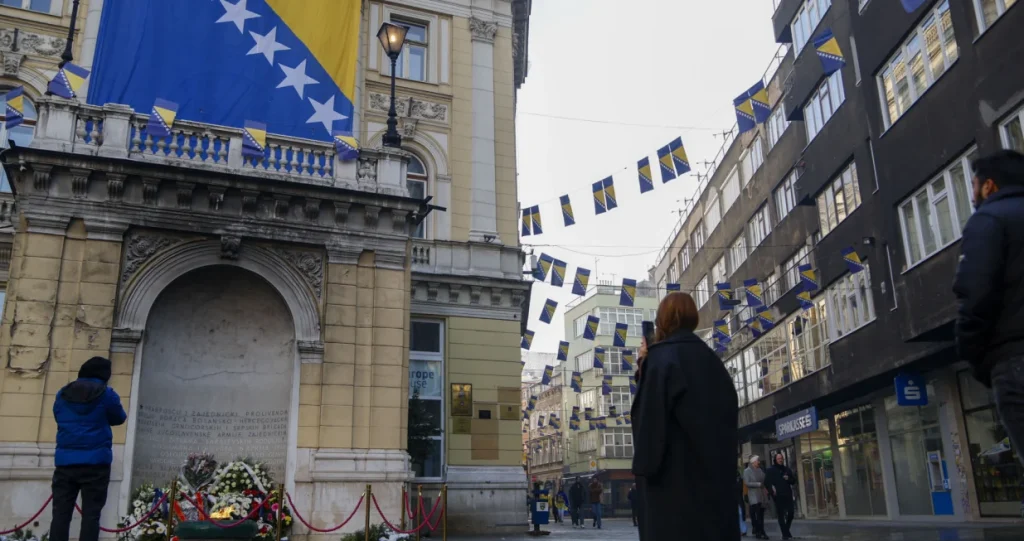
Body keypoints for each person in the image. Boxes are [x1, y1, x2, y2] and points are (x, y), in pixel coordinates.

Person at [631, 292, 740, 540]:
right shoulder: (712, 360)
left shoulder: (660, 360)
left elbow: (648, 430)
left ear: (662, 321)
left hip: (675, 495)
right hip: (715, 491)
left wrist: (643, 371)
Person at [954, 150, 1024, 477]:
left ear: (988, 186)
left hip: (1014, 356)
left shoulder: (989, 219)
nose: (971, 193)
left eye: (972, 185)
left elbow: (975, 293)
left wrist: (976, 355)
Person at [50, 357, 128, 541]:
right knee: (91, 516)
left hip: (65, 463)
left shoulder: (62, 393)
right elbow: (119, 417)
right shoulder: (107, 394)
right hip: (96, 463)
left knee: (61, 515)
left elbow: (58, 415)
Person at [766, 454, 797, 540]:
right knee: (781, 515)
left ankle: (785, 531)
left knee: (791, 513)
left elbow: (793, 481)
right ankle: (785, 534)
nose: (780, 460)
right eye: (778, 458)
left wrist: (788, 479)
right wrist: (772, 489)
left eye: (781, 458)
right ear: (775, 460)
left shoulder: (786, 469)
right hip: (778, 496)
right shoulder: (771, 470)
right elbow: (766, 482)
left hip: (788, 494)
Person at [744, 456, 769, 540]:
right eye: (757, 461)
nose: (759, 462)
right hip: (753, 496)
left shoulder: (759, 470)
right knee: (757, 514)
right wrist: (758, 484)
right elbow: (747, 483)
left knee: (761, 515)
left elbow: (764, 479)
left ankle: (760, 531)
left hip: (761, 495)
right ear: (753, 462)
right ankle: (761, 531)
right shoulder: (747, 471)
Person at [737, 471, 748, 537]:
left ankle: (743, 530)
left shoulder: (740, 480)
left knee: (740, 515)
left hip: (739, 500)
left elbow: (741, 489)